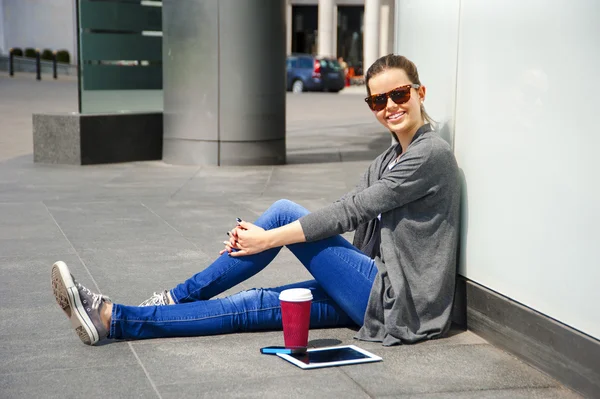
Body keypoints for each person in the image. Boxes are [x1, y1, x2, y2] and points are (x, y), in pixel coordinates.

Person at [51, 54, 461, 346]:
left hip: (396, 301)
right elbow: (348, 204)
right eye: (377, 100)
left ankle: (175, 297)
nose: (389, 106)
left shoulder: (431, 154)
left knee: (282, 211)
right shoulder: (388, 159)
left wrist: (267, 239)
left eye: (399, 94)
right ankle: (114, 319)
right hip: (369, 292)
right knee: (255, 303)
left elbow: (349, 212)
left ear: (420, 92)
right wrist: (266, 237)